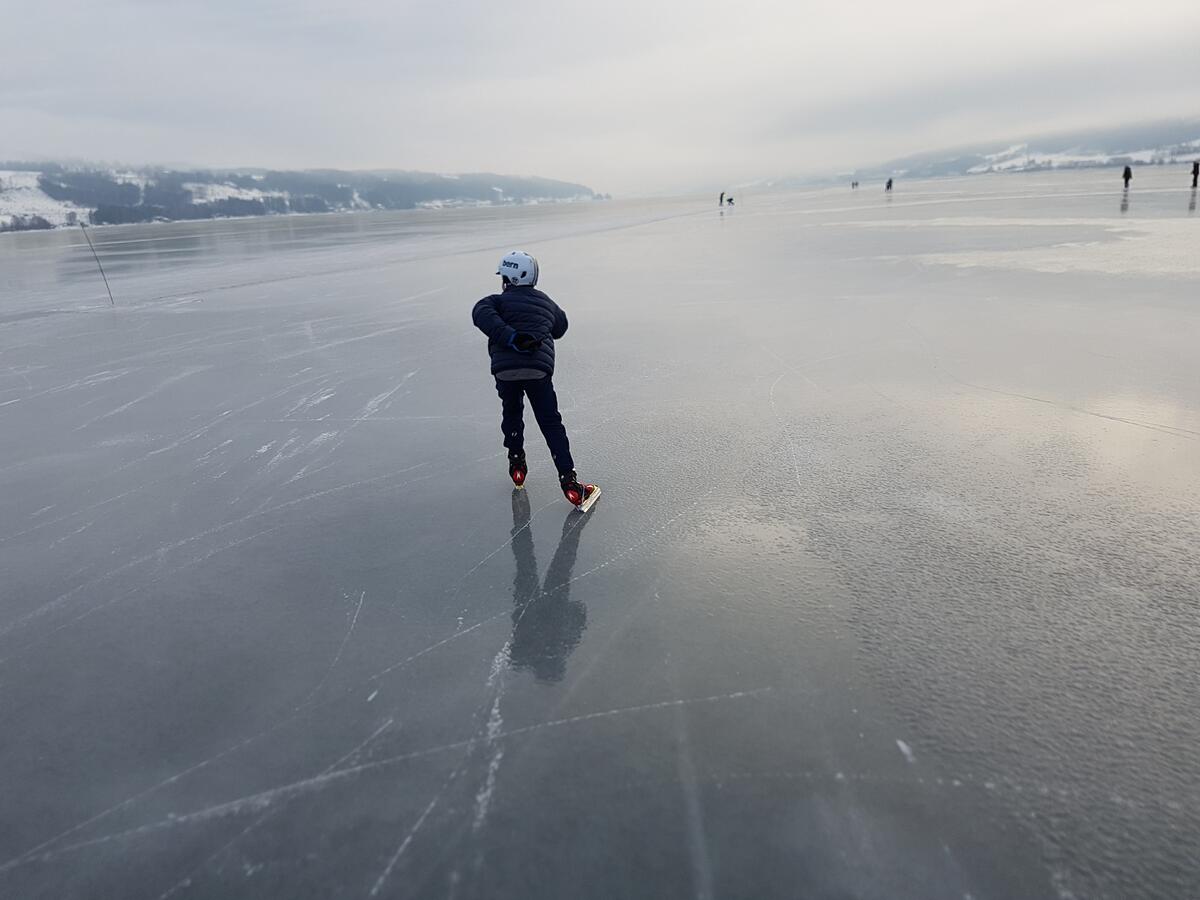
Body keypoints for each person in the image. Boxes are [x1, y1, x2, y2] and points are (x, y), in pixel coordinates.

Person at [472, 250, 596, 507]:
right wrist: (520, 335)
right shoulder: (546, 302)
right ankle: (570, 484)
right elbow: (561, 326)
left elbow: (480, 313)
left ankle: (517, 464)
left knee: (512, 412)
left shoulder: (494, 302)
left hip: (505, 372)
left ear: (507, 278)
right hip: (538, 371)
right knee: (550, 423)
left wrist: (507, 336)